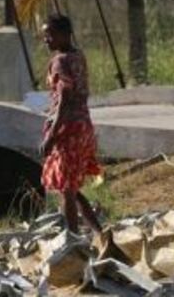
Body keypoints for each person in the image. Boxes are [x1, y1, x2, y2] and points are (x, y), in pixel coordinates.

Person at [40, 14, 103, 236]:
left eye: (50, 34)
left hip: (69, 130)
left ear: (65, 34)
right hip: (84, 125)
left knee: (66, 190)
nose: (46, 39)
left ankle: (72, 240)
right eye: (45, 35)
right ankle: (100, 233)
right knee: (72, 189)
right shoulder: (78, 56)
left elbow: (65, 99)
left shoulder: (60, 62)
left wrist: (51, 136)